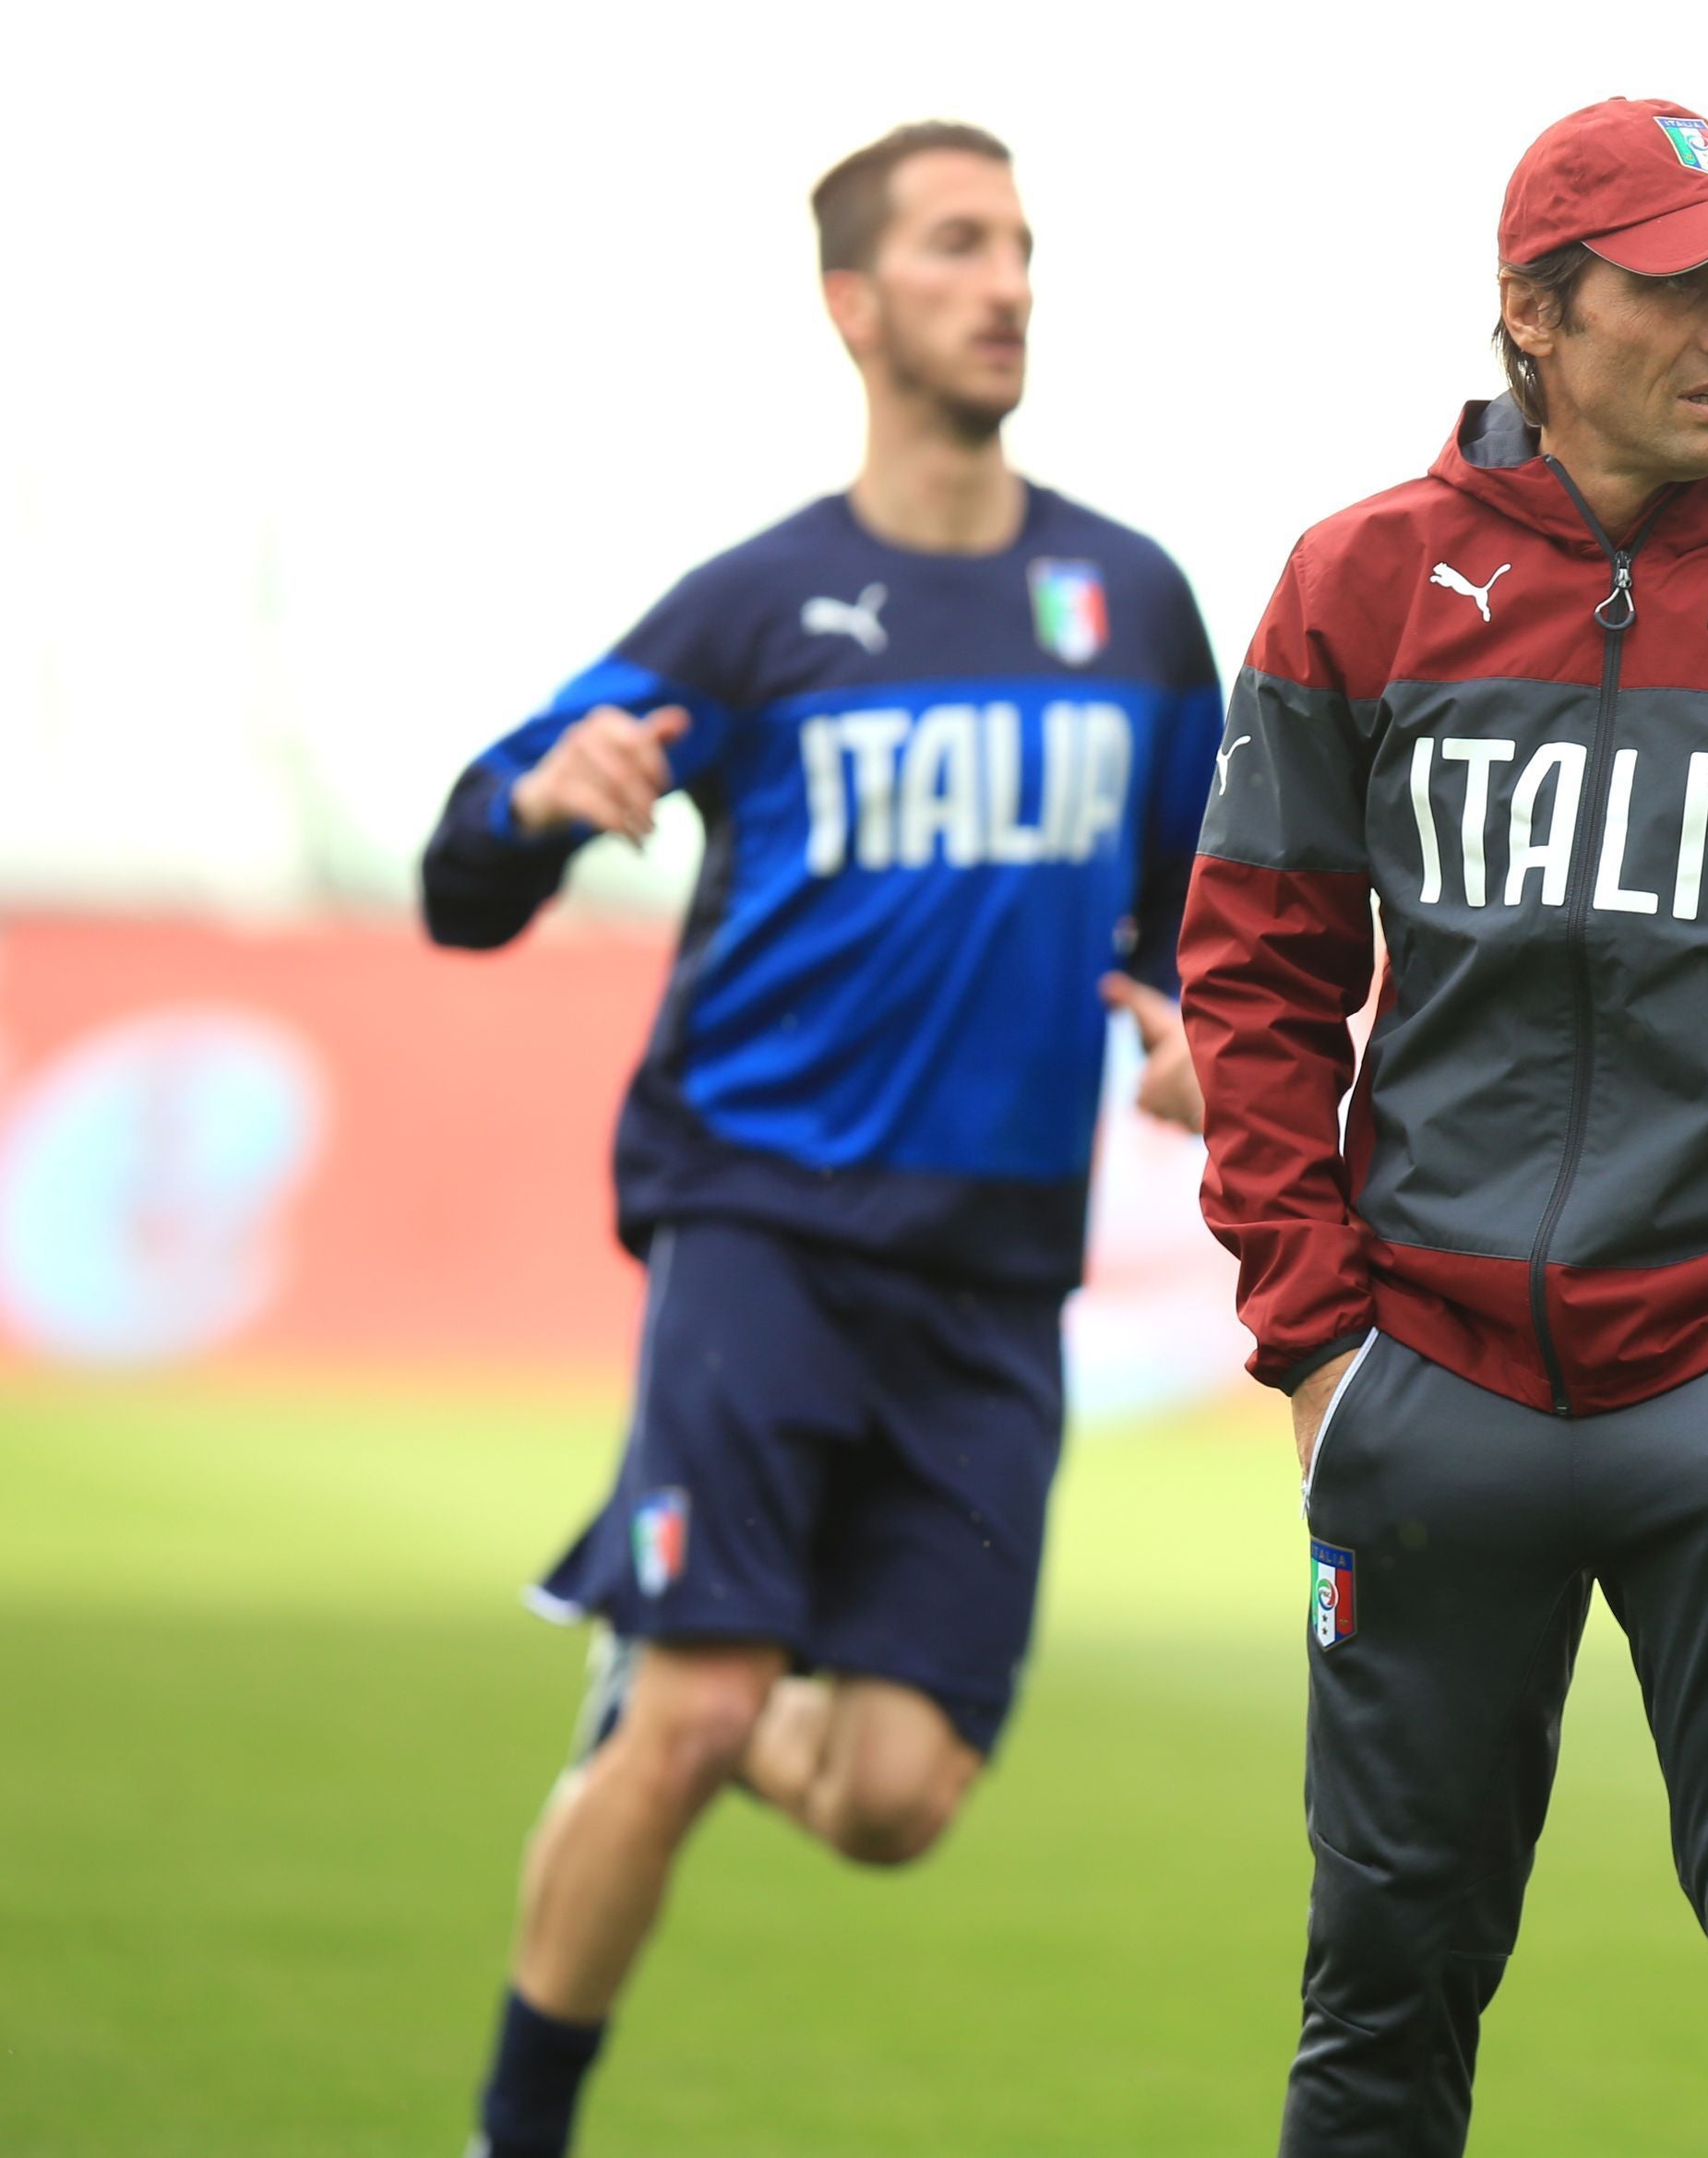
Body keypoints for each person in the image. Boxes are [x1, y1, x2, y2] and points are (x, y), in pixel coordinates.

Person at [1178, 97, 1708, 2158]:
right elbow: (1258, 978)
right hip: (1426, 1402)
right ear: (1532, 315)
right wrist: (1315, 1344)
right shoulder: (1356, 586)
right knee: (1374, 2012)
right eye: (1676, 281)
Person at [418, 120, 1222, 2158]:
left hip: (991, 1275)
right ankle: (520, 2125)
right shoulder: (759, 609)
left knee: (891, 1804)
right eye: (957, 247)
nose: (1006, 282)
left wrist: (1203, 1023)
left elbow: (1206, 919)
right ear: (853, 307)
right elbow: (463, 875)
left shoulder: (1127, 604)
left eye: (1022, 245)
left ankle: (661, 1696)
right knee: (695, 1715)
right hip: (758, 1228)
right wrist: (533, 800)